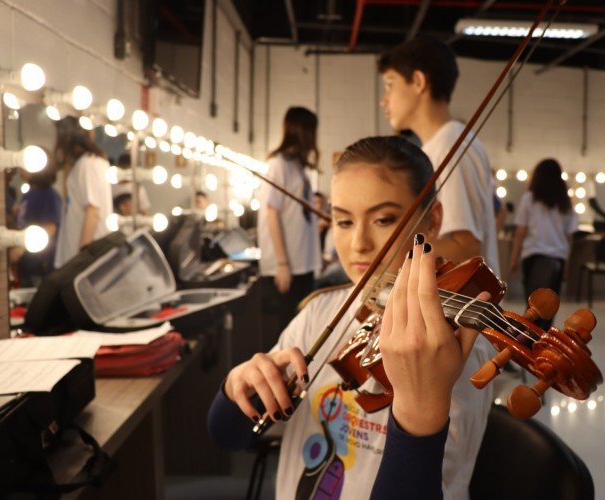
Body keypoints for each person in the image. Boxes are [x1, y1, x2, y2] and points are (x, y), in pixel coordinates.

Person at [209, 136, 493, 499]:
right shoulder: (320, 314)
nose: (359, 243)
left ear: (433, 219)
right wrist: (238, 386)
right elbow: (226, 436)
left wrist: (419, 413)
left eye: (384, 219)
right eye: (343, 222)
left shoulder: (453, 347)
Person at [378, 36, 500, 274]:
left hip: (461, 306)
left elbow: (465, 249)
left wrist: (387, 247)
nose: (384, 100)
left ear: (418, 81)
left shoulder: (450, 145)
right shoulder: (436, 147)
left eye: (390, 85)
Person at [257, 106, 320, 348]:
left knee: (300, 334)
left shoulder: (299, 167)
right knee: (284, 336)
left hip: (303, 263)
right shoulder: (278, 164)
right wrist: (282, 263)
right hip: (287, 267)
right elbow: (272, 213)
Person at [509, 159, 577, 330]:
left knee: (532, 309)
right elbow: (569, 237)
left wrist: (514, 258)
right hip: (557, 259)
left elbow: (520, 232)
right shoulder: (564, 201)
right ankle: (542, 346)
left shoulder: (529, 198)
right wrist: (567, 263)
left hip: (534, 257)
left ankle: (525, 348)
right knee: (549, 310)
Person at [53, 117, 112, 268]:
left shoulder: (88, 164)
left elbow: (92, 212)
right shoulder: (89, 163)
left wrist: (81, 259)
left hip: (83, 260)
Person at [14, 167, 62, 287]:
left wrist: (20, 248)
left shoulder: (49, 194)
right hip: (26, 263)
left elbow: (50, 228)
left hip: (41, 263)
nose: (20, 169)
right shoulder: (28, 194)